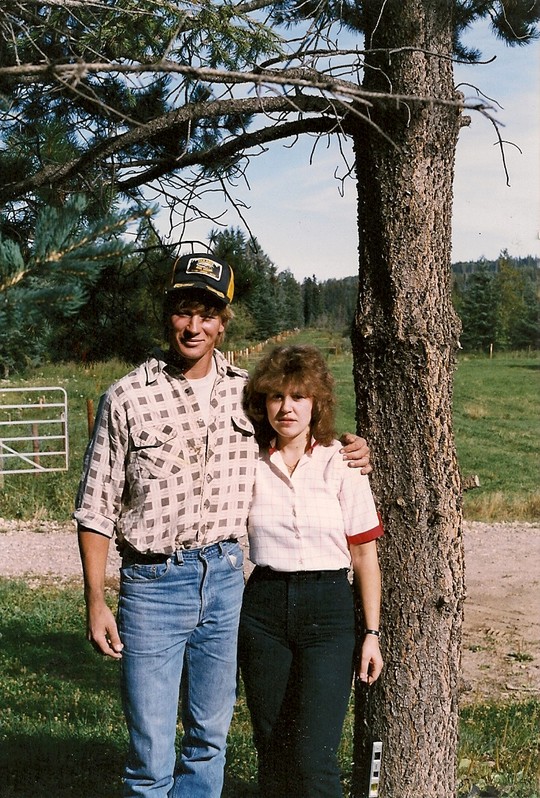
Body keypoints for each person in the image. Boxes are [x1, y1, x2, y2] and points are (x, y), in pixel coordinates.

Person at [74, 252, 371, 798]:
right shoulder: (127, 397)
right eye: (184, 312)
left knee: (209, 740)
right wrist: (96, 599)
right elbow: (95, 508)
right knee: (150, 752)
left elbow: (299, 429)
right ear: (167, 316)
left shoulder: (246, 394)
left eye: (207, 315)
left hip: (226, 580)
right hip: (153, 586)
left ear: (223, 323)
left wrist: (351, 447)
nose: (195, 326)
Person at [239, 344, 384, 798]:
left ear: (315, 403)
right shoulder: (247, 462)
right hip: (263, 609)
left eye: (298, 396)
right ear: (263, 404)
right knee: (272, 748)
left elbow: (365, 555)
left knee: (314, 756)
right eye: (276, 396)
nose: (287, 408)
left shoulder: (342, 461)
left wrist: (372, 633)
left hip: (327, 612)